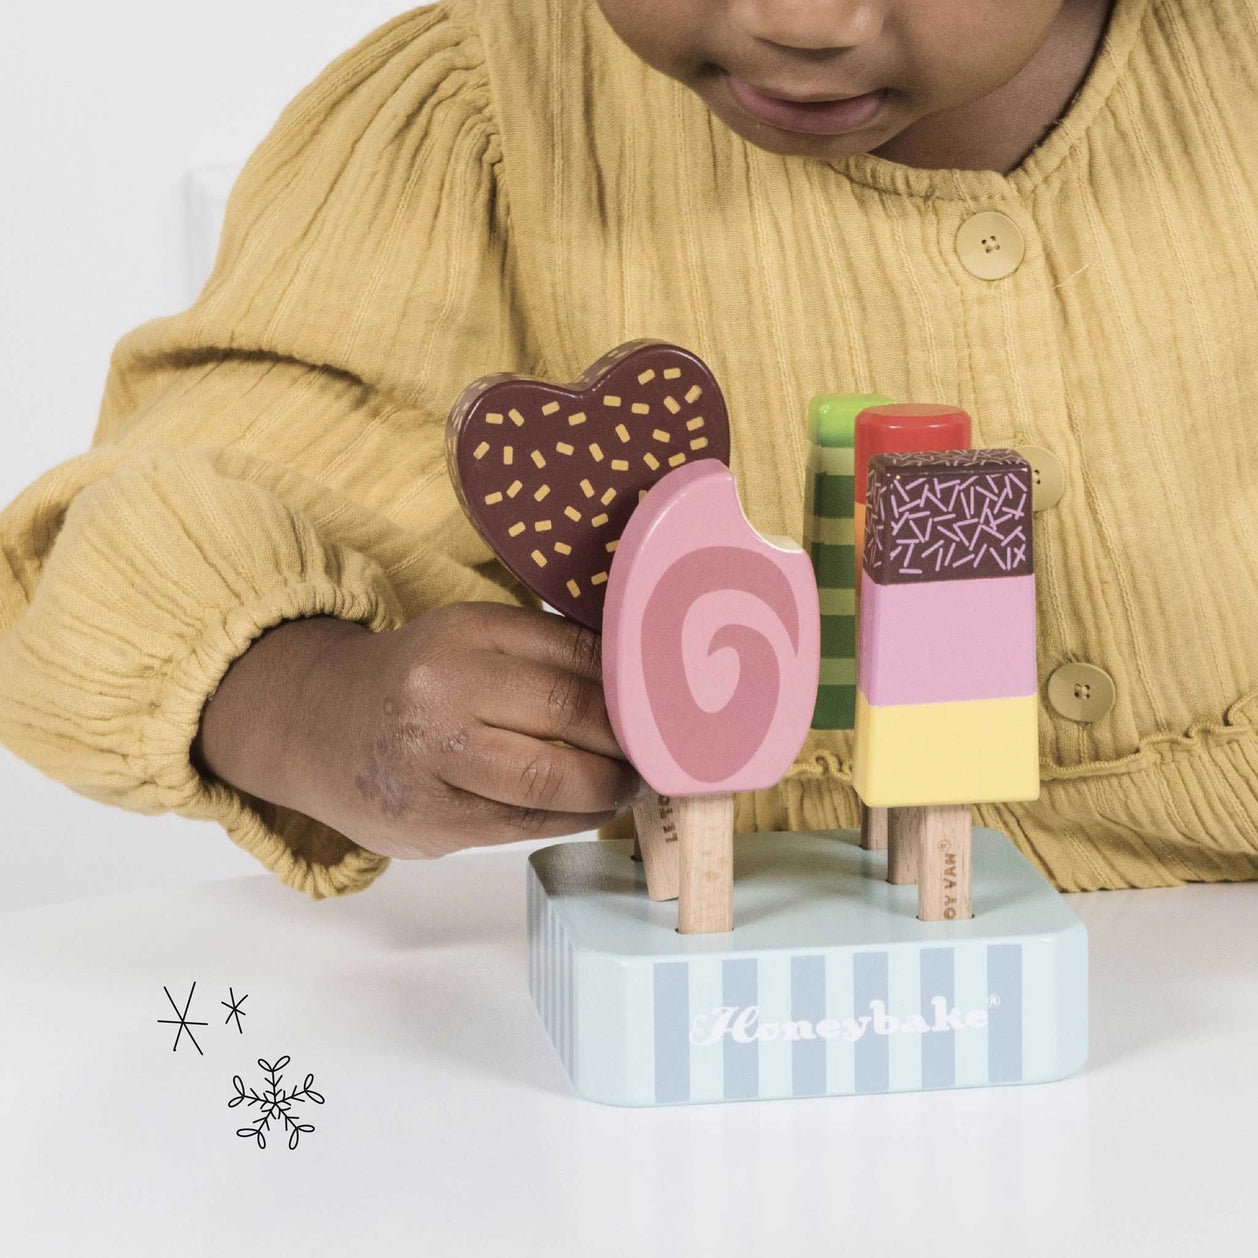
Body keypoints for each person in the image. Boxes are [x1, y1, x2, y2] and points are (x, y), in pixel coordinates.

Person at [1, 0, 1255, 900]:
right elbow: (116, 547)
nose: (802, 20)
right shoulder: (484, 117)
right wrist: (311, 702)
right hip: (749, 978)